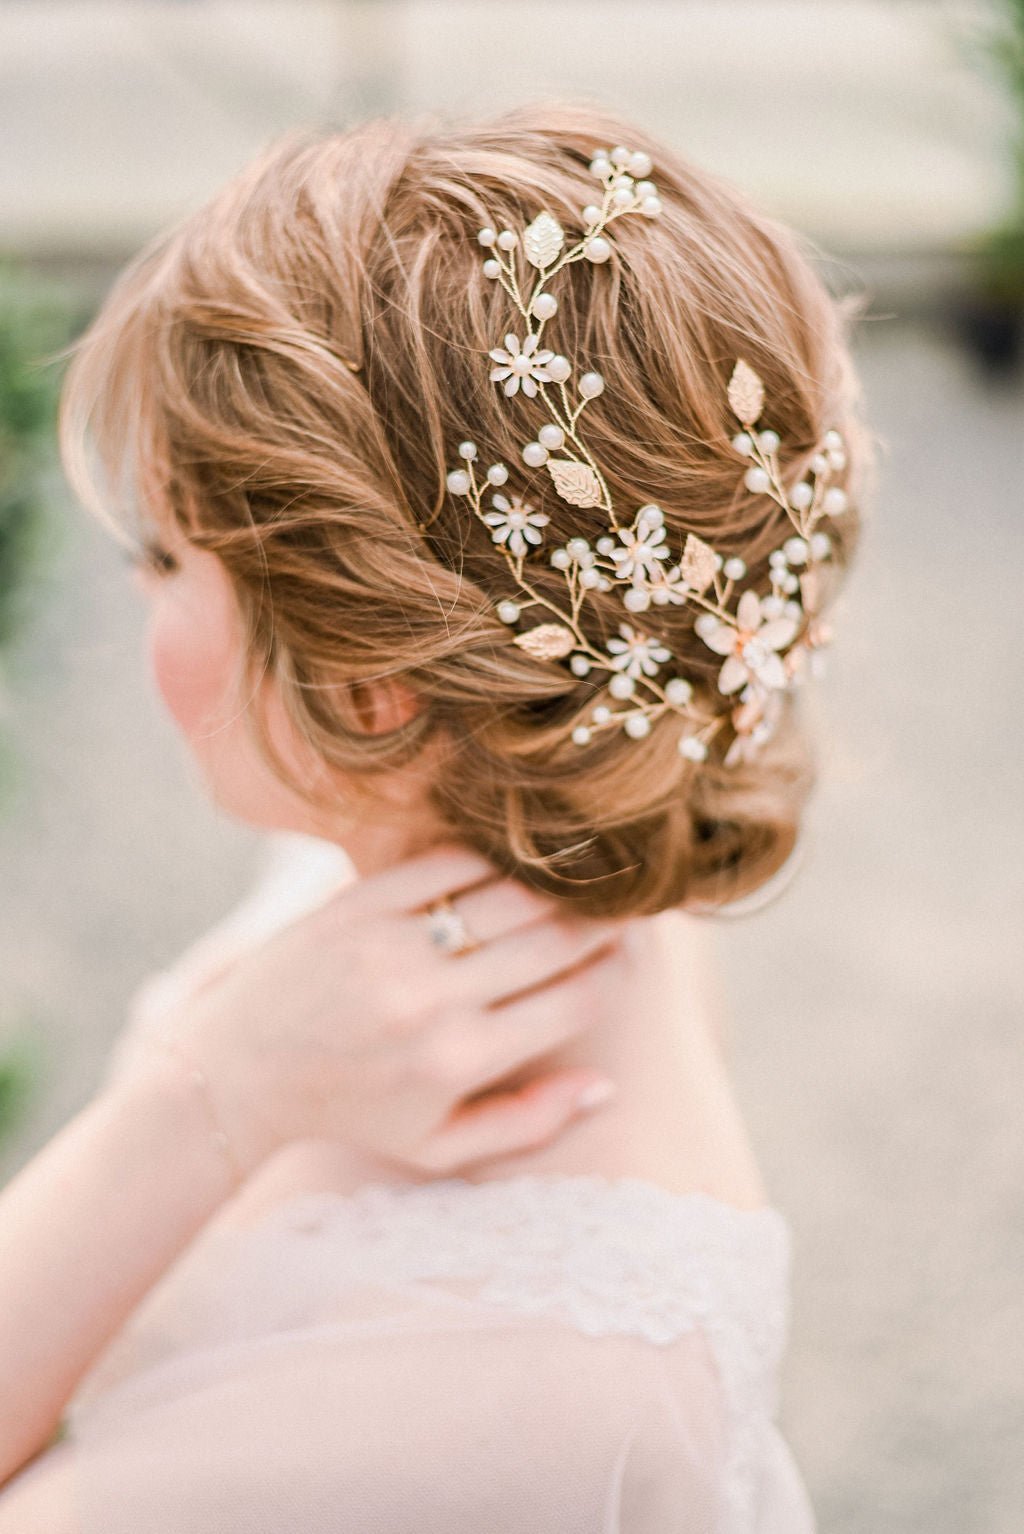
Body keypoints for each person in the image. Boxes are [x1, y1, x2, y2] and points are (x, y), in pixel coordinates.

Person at [0, 99, 875, 1531]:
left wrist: (198, 1104)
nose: (135, 594)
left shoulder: (528, 1395)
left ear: (369, 694)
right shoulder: (530, 846)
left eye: (166, 554)